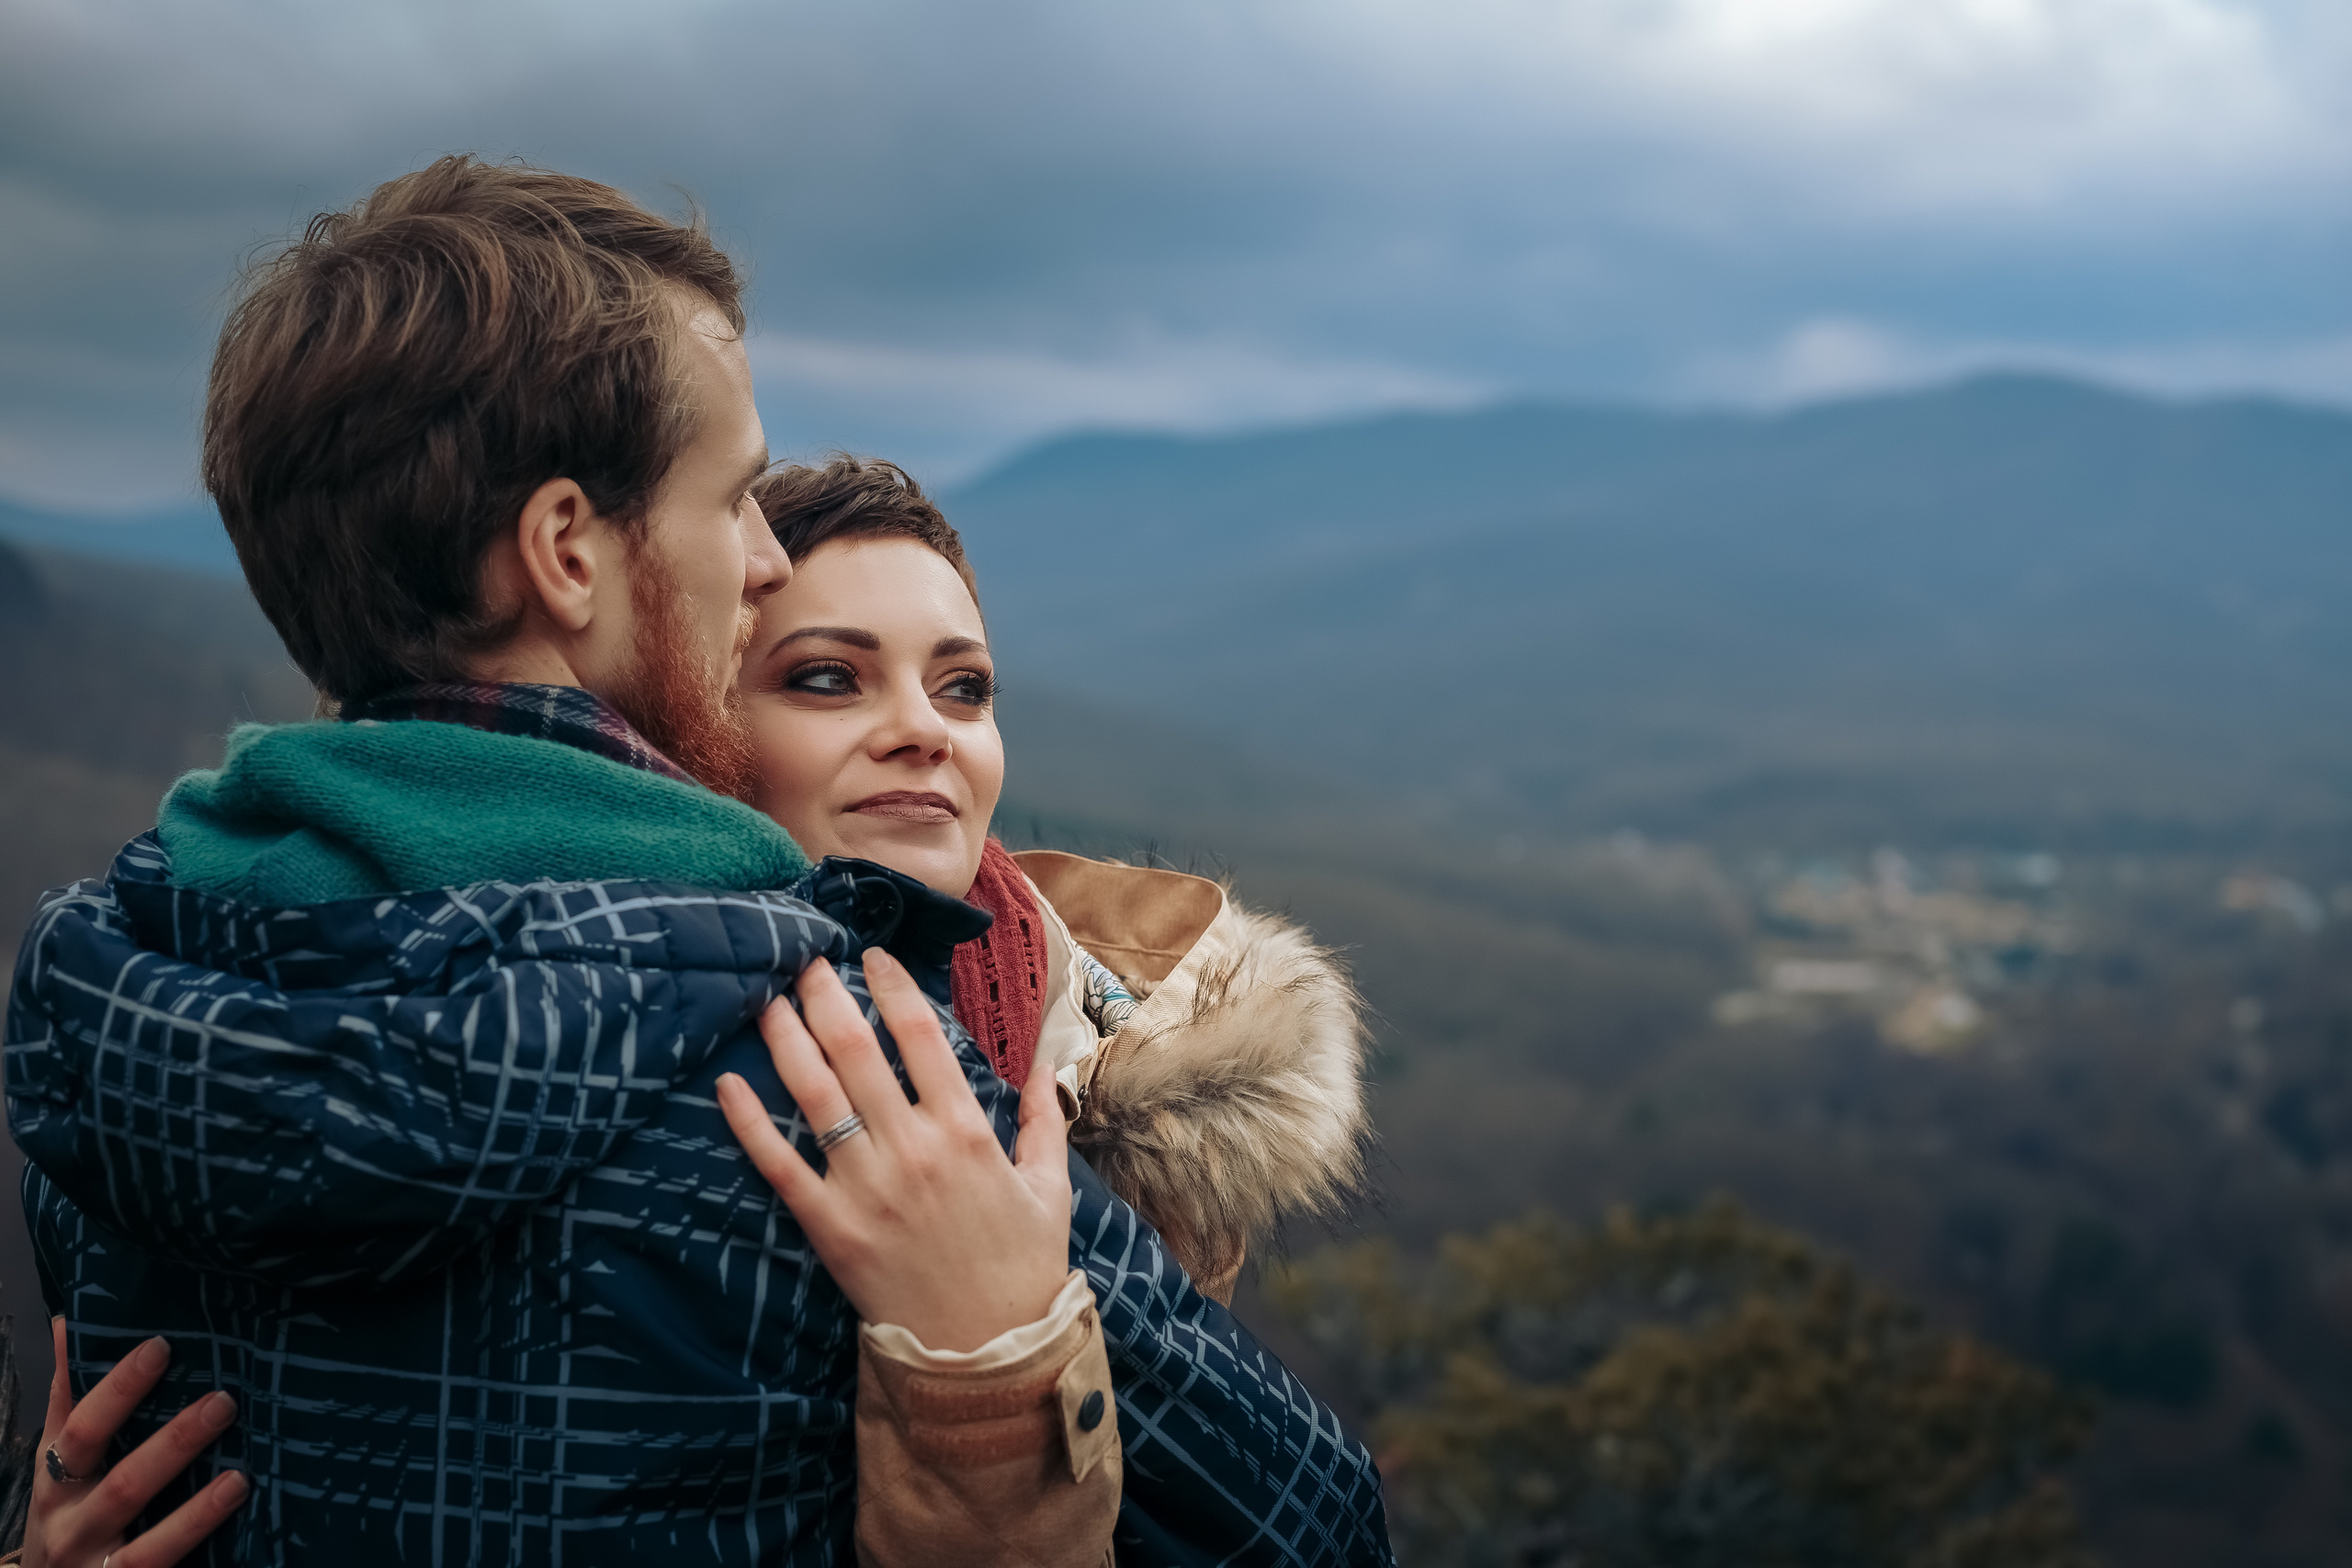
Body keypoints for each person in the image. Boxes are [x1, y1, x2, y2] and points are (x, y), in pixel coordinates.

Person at [5, 157, 1392, 1565]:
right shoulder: (835, 1072)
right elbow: (1320, 1527)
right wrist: (999, 1374)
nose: (768, 562)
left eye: (965, 686)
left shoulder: (108, 1009)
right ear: (565, 552)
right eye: (732, 499)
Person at [738, 457, 1374, 1304]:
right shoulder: (677, 1054)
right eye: (826, 677)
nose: (926, 730)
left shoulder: (1139, 1091)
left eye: (963, 688)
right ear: (704, 722)